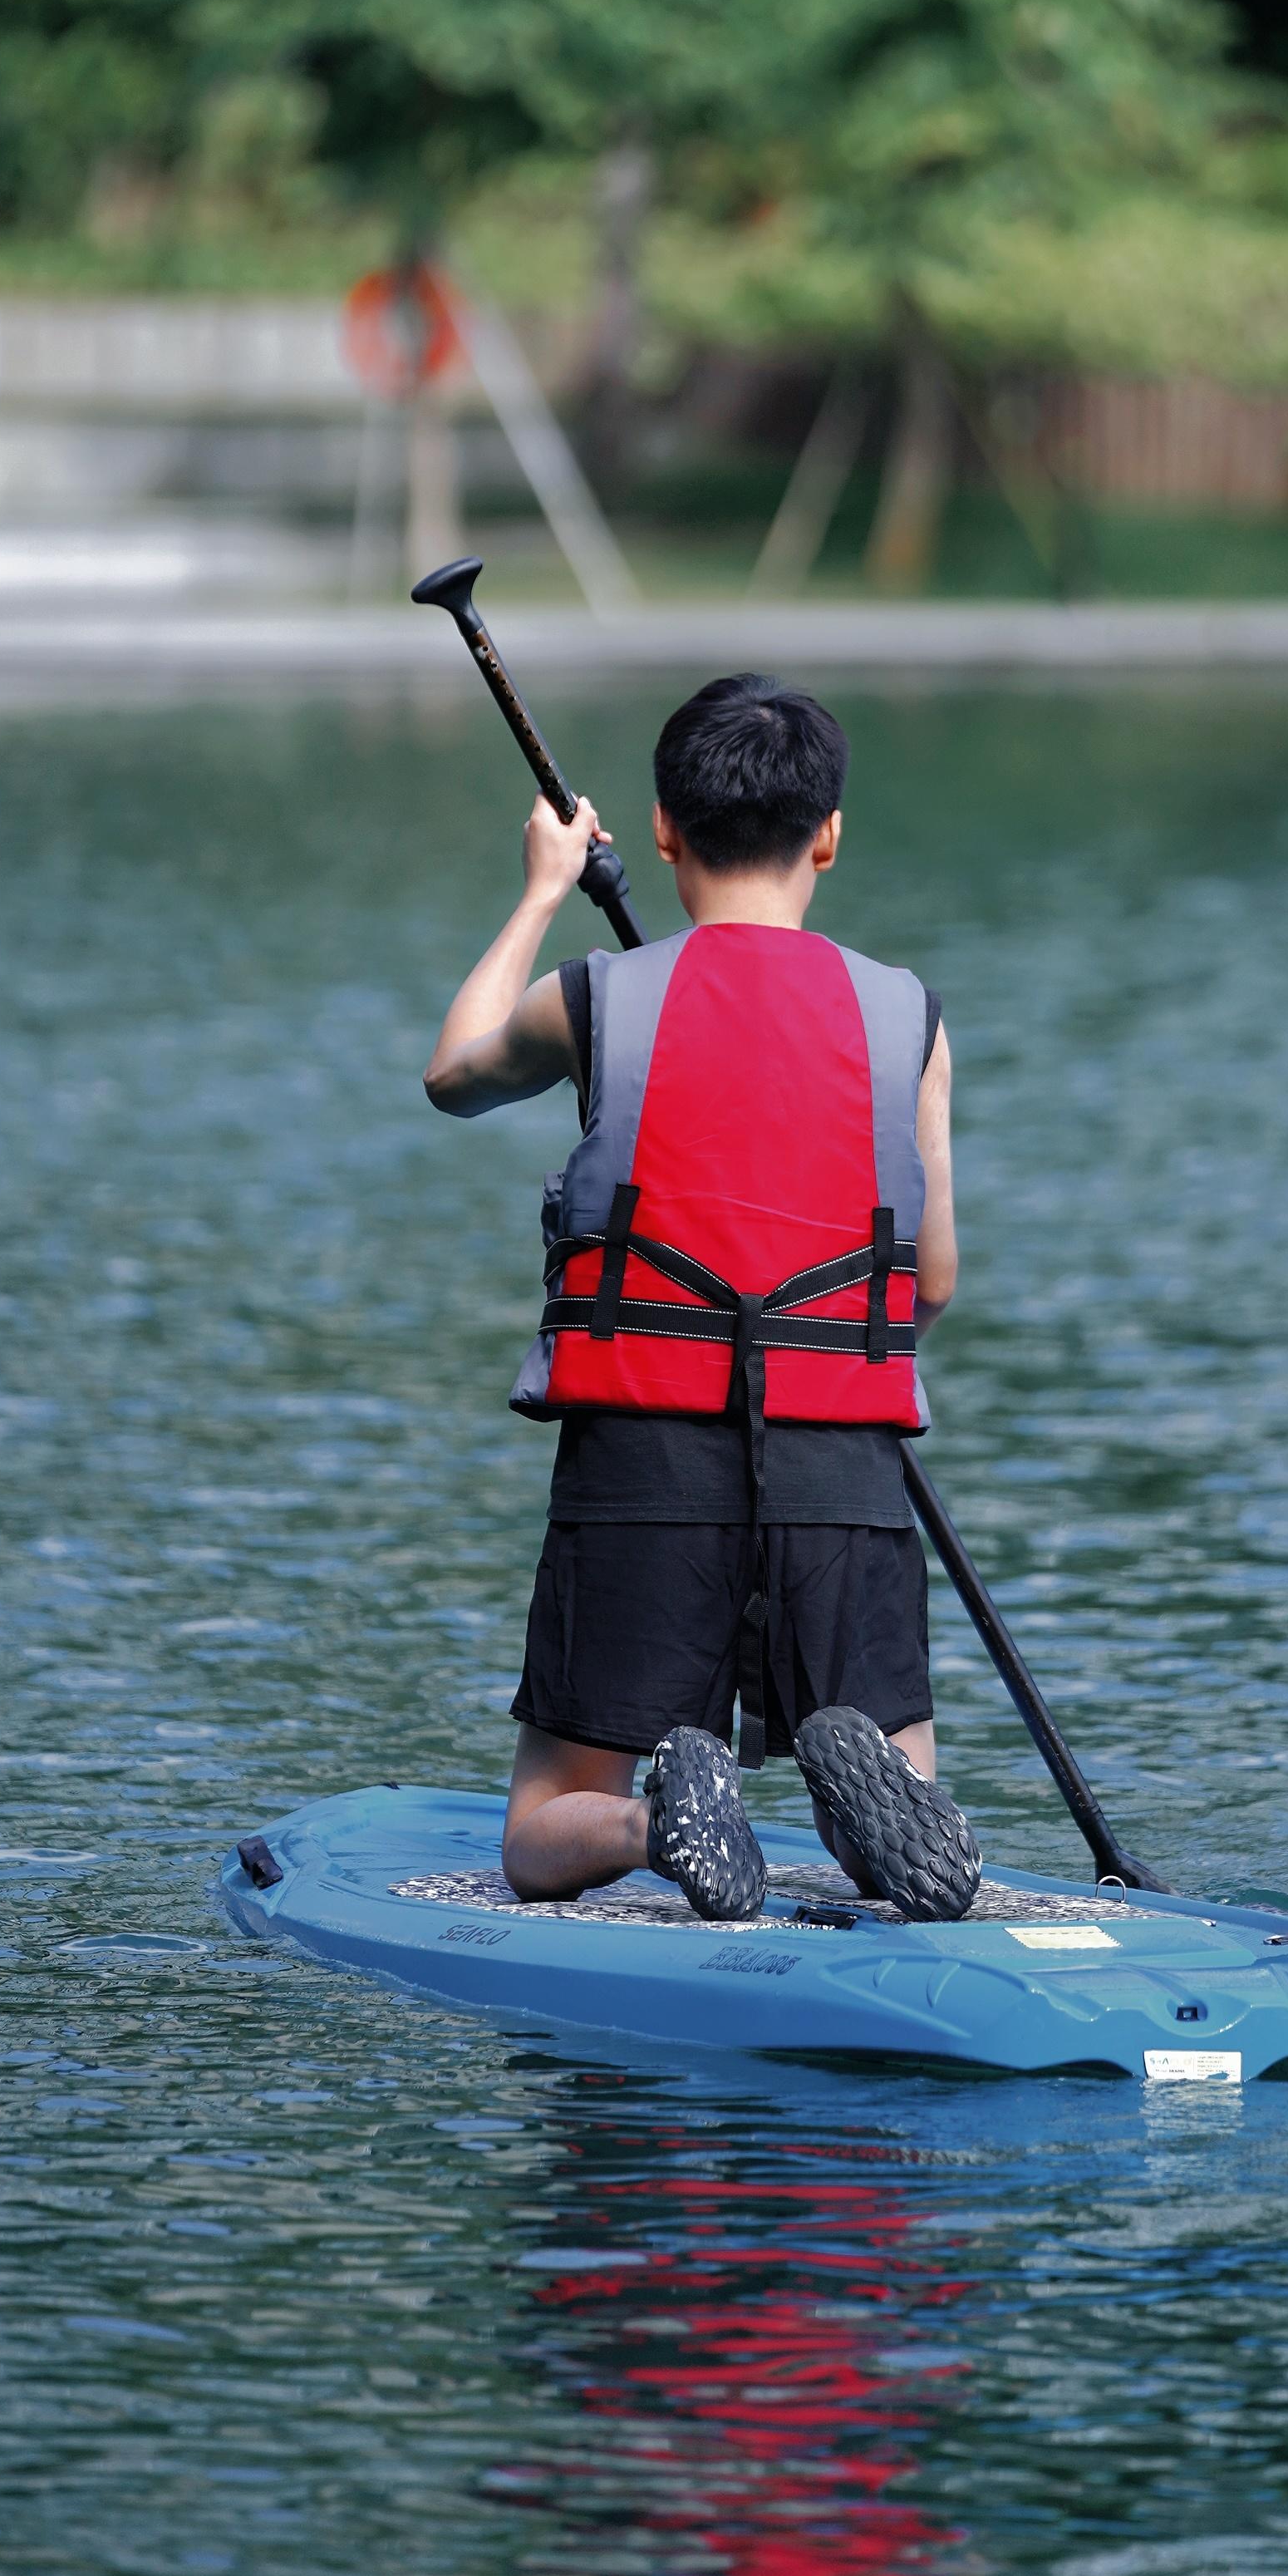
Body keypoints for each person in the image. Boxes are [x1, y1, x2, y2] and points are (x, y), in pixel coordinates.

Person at [425, 672, 981, 1926]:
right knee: (895, 1780)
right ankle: (885, 1810)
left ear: (663, 832)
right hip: (842, 1462)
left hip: (646, 1458)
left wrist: (541, 890)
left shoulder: (598, 997)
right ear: (829, 837)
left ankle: (648, 1819)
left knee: (538, 1830)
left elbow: (452, 1074)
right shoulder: (908, 1020)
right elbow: (930, 1281)